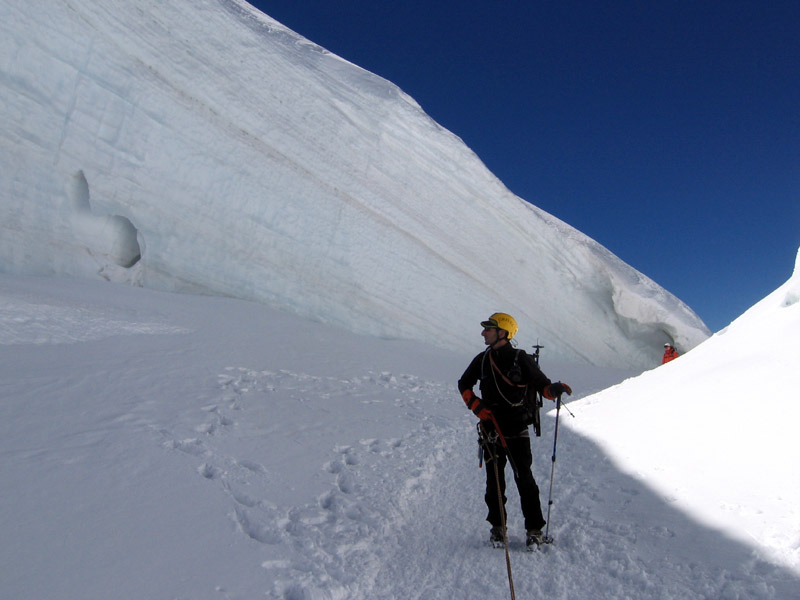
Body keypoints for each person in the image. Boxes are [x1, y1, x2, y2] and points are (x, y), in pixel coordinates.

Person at [457, 312, 572, 549]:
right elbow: (464, 383)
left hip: (515, 428)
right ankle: (498, 528)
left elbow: (543, 386)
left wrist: (554, 390)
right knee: (495, 482)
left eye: (488, 328)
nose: (483, 332)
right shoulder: (482, 360)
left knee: (524, 480)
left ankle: (534, 528)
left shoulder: (521, 359)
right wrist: (476, 406)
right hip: (491, 429)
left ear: (503, 333)